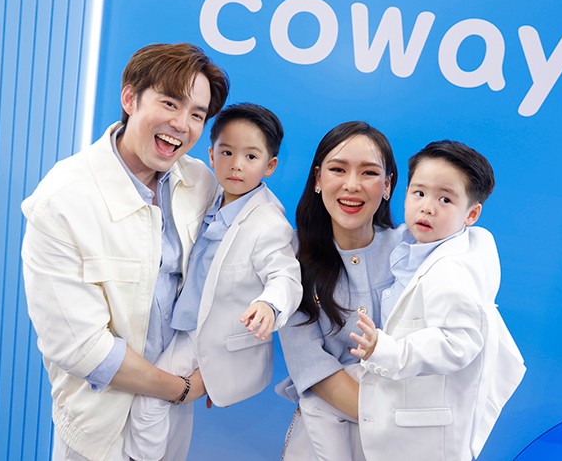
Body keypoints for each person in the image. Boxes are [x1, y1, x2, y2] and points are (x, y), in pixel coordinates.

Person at [21, 43, 229, 460]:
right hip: (101, 425)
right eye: (170, 103)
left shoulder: (201, 182)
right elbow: (81, 348)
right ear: (130, 98)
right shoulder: (62, 200)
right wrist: (181, 388)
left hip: (172, 418)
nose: (181, 124)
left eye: (197, 115)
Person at [123, 103, 302, 460]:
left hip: (205, 335)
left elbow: (285, 274)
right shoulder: (206, 195)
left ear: (270, 166)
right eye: (227, 152)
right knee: (172, 413)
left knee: (149, 402)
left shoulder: (268, 223)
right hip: (177, 322)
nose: (236, 164)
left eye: (250, 156)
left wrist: (270, 304)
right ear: (211, 154)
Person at [350, 140, 525, 461]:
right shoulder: (413, 247)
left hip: (424, 438)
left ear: (471, 213)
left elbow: (459, 341)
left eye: (445, 199)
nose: (427, 207)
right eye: (419, 193)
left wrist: (386, 350)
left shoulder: (452, 270)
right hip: (402, 418)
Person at [277, 121, 401, 460]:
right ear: (318, 179)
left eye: (369, 173)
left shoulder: (410, 252)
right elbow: (313, 367)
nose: (352, 185)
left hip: (401, 437)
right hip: (327, 437)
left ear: (387, 185)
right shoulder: (288, 258)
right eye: (338, 169)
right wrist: (395, 422)